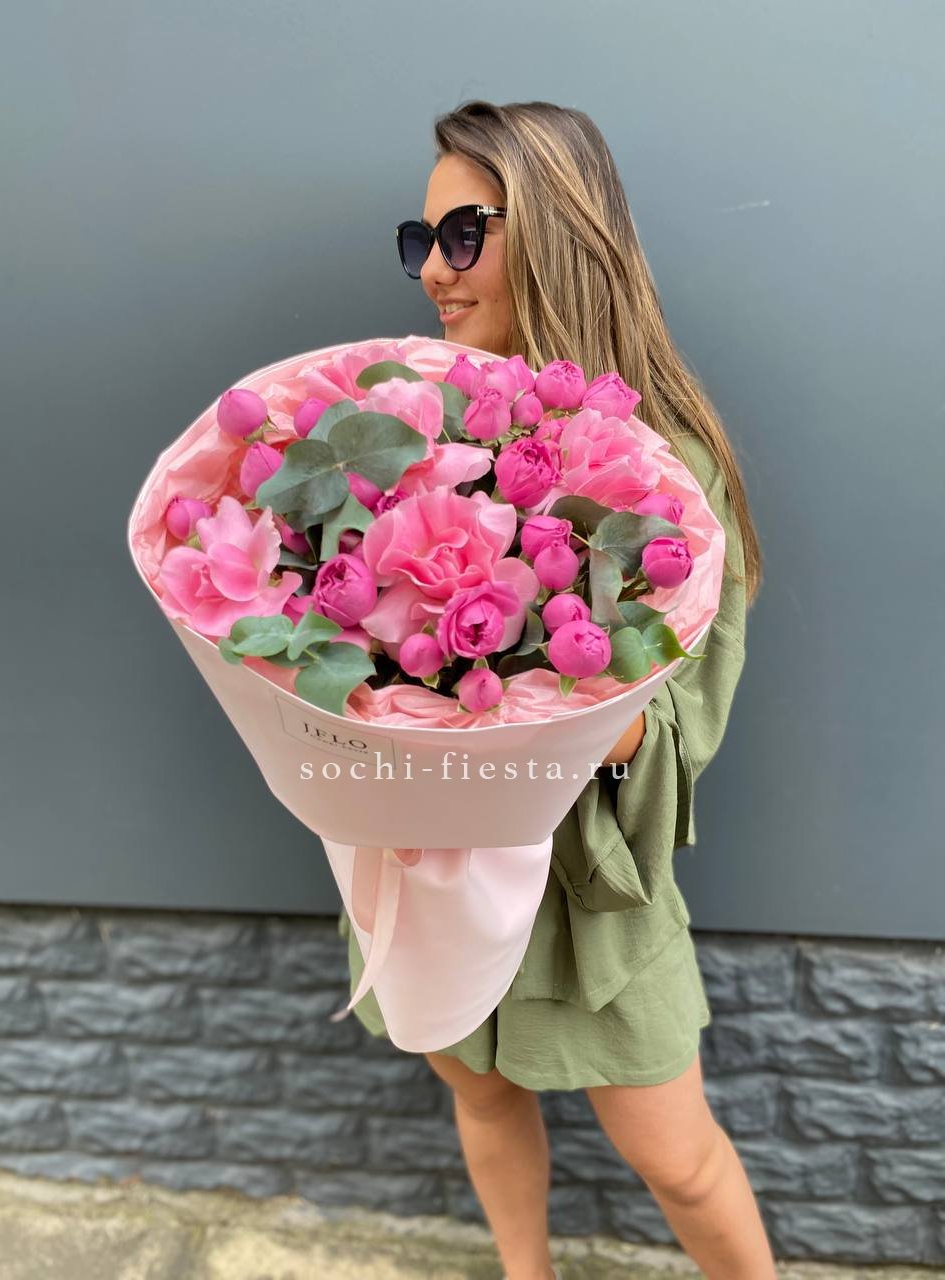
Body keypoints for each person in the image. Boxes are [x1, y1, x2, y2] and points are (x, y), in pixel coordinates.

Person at [338, 98, 774, 1280]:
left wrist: (574, 693)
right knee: (480, 1095)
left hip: (588, 885)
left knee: (678, 1156)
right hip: (437, 858)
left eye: (462, 233)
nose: (435, 270)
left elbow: (682, 722)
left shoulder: (671, 467)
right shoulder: (411, 431)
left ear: (558, 231)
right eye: (421, 240)